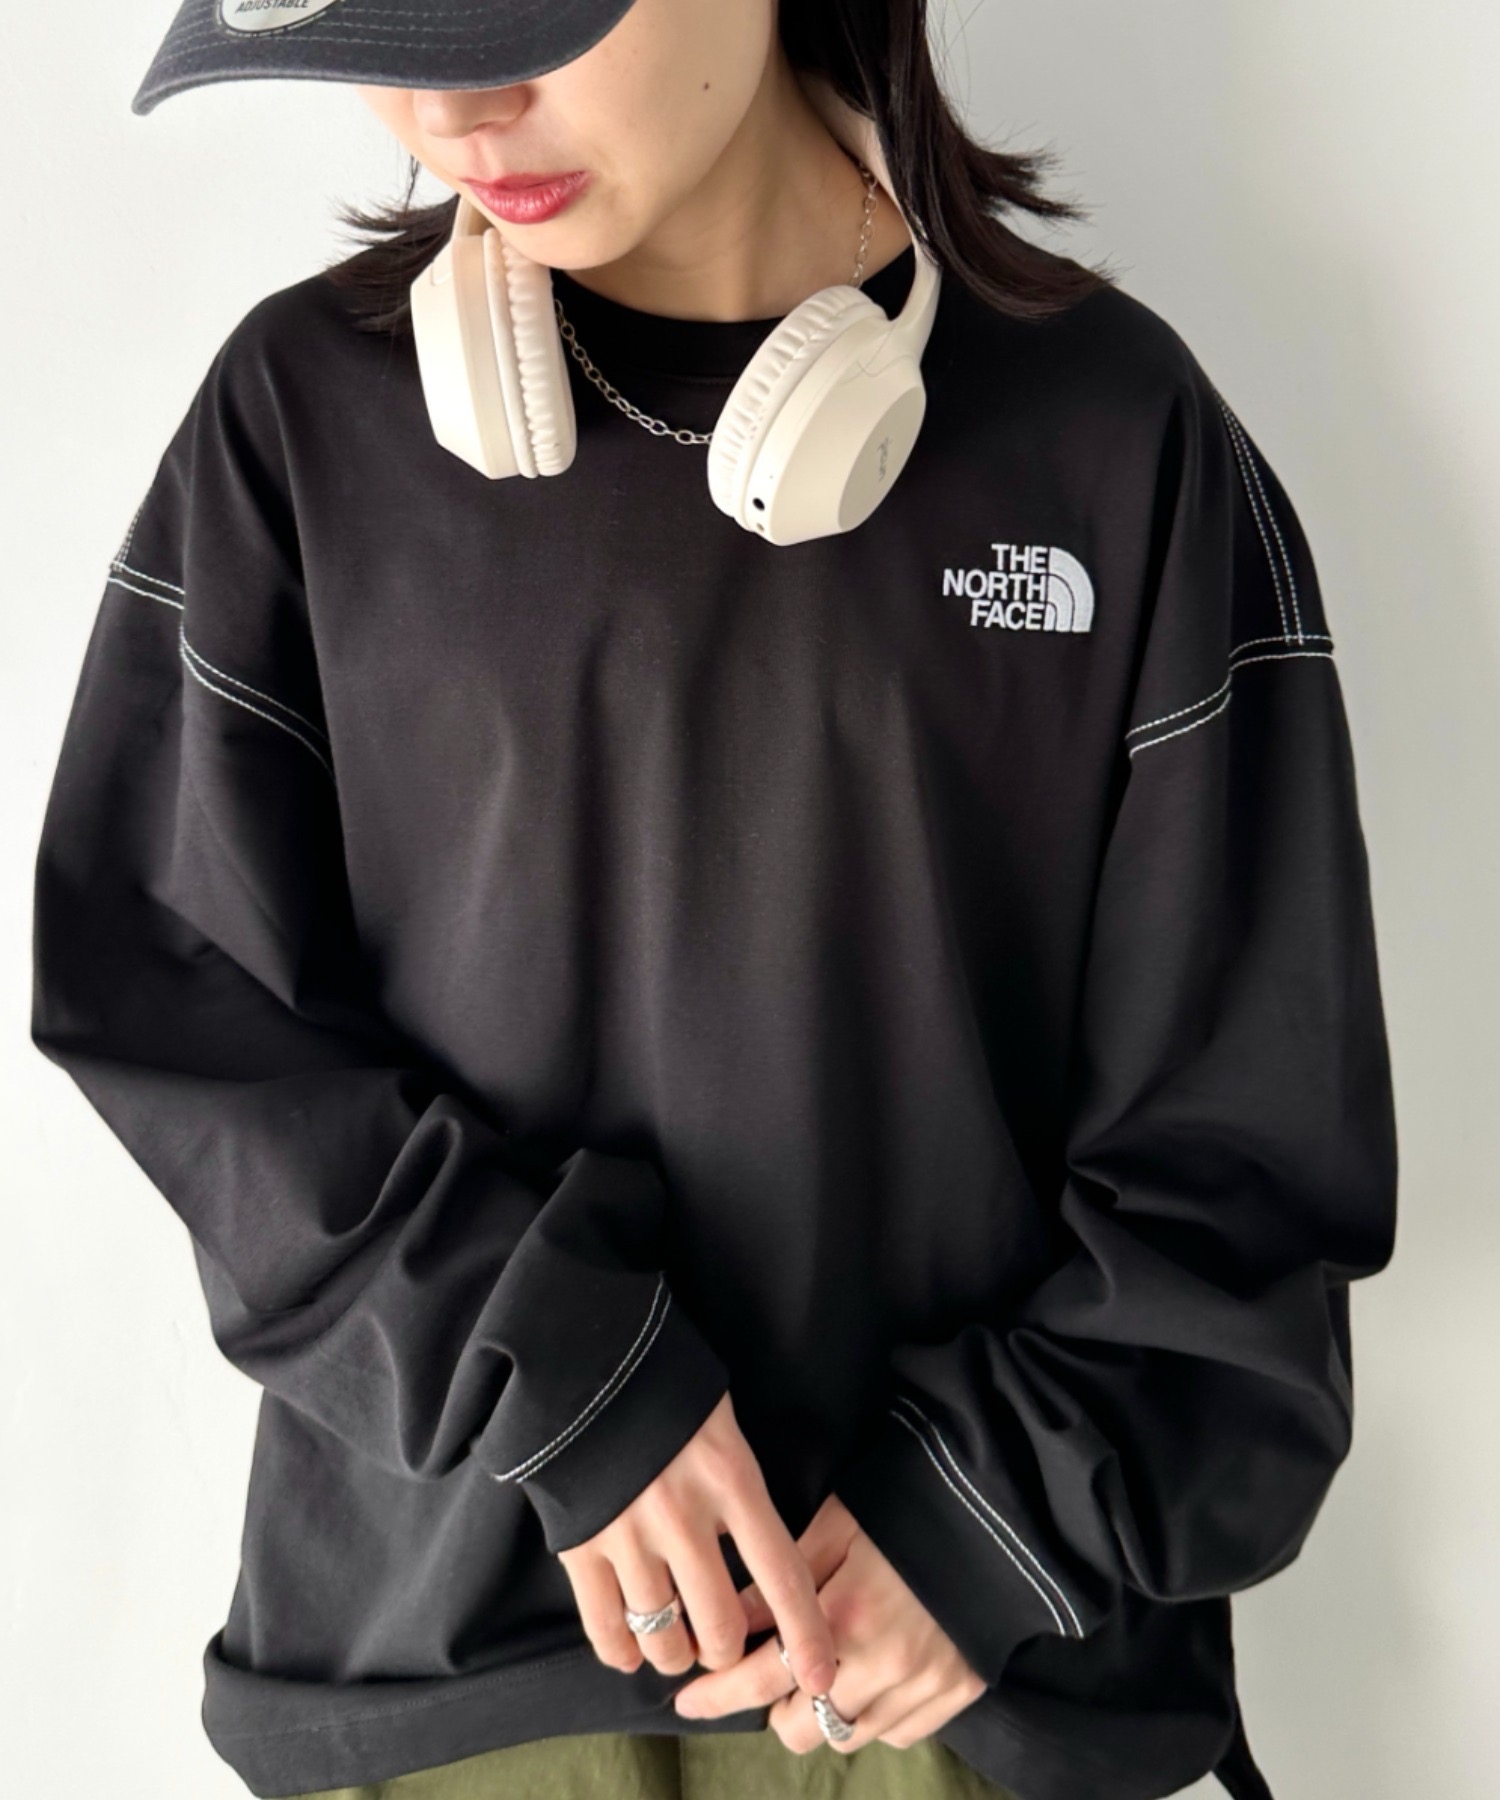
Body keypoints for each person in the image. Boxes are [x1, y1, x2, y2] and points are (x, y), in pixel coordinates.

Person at [29, 2, 1397, 1798]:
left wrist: (1000, 1509)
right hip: (453, 1695)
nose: (459, 107)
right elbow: (175, 995)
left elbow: (1254, 1132)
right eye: (388, 21)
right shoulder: (302, 419)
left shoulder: (1118, 437)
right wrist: (553, 1376)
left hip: (966, 1692)